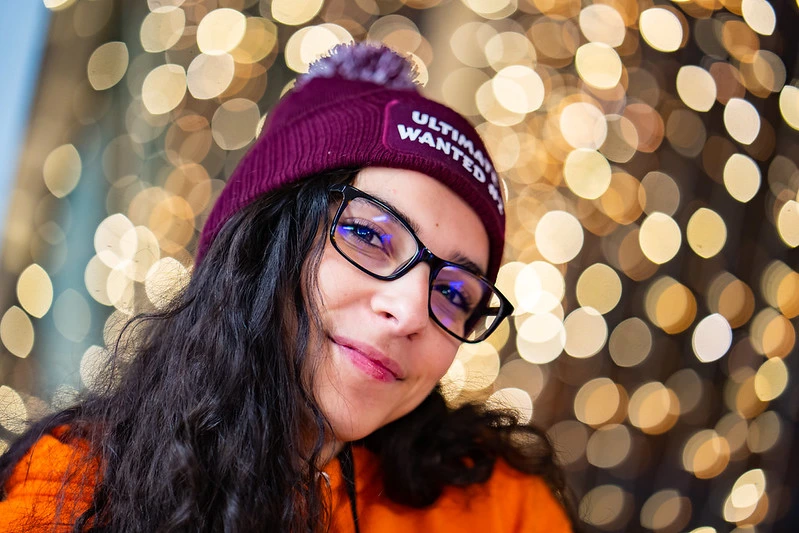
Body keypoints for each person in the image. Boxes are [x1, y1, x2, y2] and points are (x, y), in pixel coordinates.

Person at [0, 43, 574, 532]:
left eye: (454, 294)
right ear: (261, 242)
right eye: (368, 236)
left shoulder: (501, 505)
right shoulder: (70, 492)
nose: (409, 312)